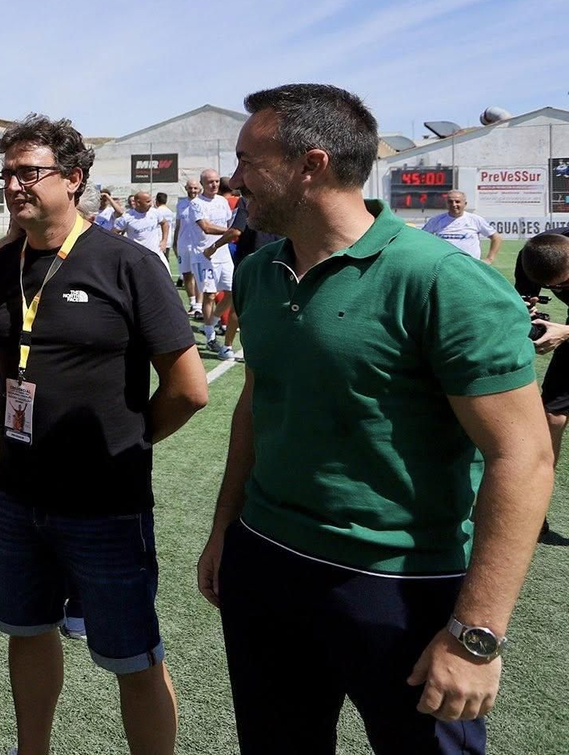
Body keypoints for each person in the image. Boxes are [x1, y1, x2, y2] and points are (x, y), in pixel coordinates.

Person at [197, 84, 553, 754]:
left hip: (401, 587)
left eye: (247, 161)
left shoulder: (445, 281)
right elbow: (257, 405)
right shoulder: (261, 272)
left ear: (312, 164)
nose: (234, 180)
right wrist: (226, 529)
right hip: (265, 561)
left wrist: (475, 635)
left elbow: (523, 457)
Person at [0, 115, 208, 755]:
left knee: (134, 656)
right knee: (27, 631)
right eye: (7, 174)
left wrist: (125, 444)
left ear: (74, 178)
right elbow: (0, 366)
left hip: (105, 504)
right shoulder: (4, 266)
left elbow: (190, 388)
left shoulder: (129, 263)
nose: (14, 185)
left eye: (30, 172)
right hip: (16, 493)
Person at [514, 229, 569, 538]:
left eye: (564, 283)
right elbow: (523, 298)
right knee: (552, 416)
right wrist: (526, 307)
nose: (559, 290)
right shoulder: (534, 256)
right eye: (553, 287)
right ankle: (535, 507)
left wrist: (566, 332)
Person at [188, 169, 238, 359]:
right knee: (209, 295)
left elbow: (229, 222)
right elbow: (206, 227)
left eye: (216, 181)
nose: (214, 184)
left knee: (231, 292)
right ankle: (210, 337)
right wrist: (230, 232)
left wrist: (230, 232)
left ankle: (211, 323)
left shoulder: (222, 202)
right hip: (204, 255)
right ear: (202, 184)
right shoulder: (196, 204)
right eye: (210, 182)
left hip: (222, 254)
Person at [422, 191, 502, 265]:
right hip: (445, 265)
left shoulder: (475, 220)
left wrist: (489, 259)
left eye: (457, 202)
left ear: (465, 203)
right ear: (446, 203)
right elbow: (422, 238)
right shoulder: (436, 220)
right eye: (450, 202)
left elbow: (496, 237)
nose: (454, 205)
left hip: (470, 265)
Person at [112, 190, 172, 272]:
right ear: (138, 203)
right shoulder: (127, 217)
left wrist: (164, 241)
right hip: (138, 257)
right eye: (148, 202)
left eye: (151, 201)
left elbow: (165, 223)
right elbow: (113, 233)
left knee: (166, 276)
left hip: (156, 253)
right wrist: (123, 246)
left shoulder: (154, 212)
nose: (151, 204)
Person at [171, 179, 200, 313]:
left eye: (195, 188)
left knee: (198, 275)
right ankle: (192, 303)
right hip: (183, 244)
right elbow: (178, 225)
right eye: (190, 188)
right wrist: (175, 242)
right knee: (187, 274)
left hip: (198, 244)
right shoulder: (181, 204)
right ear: (186, 188)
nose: (193, 191)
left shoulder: (202, 203)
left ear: (199, 189)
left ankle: (199, 305)